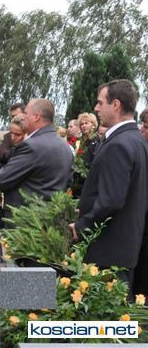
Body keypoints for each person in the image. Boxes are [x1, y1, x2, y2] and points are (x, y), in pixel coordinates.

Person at [70, 80, 148, 297]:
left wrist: (82, 226)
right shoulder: (136, 140)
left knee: (107, 317)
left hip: (109, 252)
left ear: (115, 104)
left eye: (100, 102)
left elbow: (111, 200)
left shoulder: (119, 144)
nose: (96, 108)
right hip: (125, 248)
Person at [0, 99, 73, 211]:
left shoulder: (31, 146)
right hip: (52, 215)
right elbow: (68, 182)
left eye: (26, 113)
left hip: (25, 216)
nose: (23, 117)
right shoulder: (65, 145)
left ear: (36, 117)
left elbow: (2, 179)